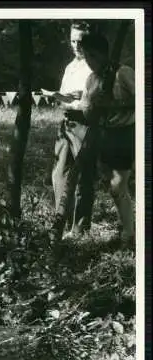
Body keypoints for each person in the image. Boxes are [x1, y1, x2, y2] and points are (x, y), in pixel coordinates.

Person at [73, 32, 135, 248]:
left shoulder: (123, 73)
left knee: (118, 186)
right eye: (86, 56)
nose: (90, 61)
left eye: (93, 55)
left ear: (104, 54)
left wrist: (113, 104)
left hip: (126, 132)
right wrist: (94, 105)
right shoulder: (91, 80)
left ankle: (129, 234)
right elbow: (88, 115)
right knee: (113, 187)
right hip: (105, 135)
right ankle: (127, 226)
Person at [41, 21, 97, 245]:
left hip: (86, 122)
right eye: (73, 41)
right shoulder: (70, 66)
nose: (76, 46)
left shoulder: (93, 67)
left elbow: (90, 100)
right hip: (66, 123)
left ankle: (80, 229)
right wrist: (58, 97)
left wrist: (74, 99)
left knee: (84, 177)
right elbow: (65, 94)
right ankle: (60, 222)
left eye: (80, 41)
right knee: (59, 174)